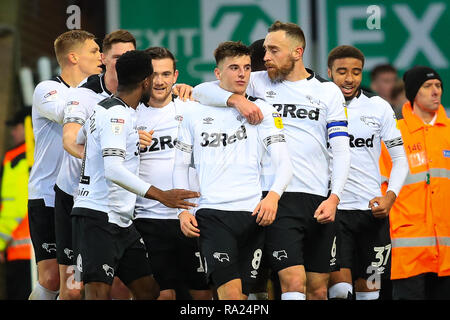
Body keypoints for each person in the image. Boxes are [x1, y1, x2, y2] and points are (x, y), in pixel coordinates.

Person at [192, 21, 351, 300]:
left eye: (273, 50)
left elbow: (340, 149)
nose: (265, 57)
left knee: (318, 288)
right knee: (292, 280)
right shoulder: (257, 80)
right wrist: (236, 100)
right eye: (265, 50)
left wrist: (334, 197)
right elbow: (202, 90)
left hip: (318, 197)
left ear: (297, 52)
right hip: (276, 196)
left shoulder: (328, 92)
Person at [71, 49, 200, 300]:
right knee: (97, 293)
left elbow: (79, 137)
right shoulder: (117, 116)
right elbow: (113, 169)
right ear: (145, 82)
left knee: (149, 290)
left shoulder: (106, 108)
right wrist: (162, 196)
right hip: (97, 216)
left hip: (121, 219)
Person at [174, 41, 293, 300]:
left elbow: (285, 163)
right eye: (234, 67)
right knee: (230, 296)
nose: (242, 74)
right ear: (218, 73)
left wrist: (273, 196)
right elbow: (180, 165)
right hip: (212, 214)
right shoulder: (193, 111)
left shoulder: (263, 111)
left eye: (247, 68)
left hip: (253, 215)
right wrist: (182, 212)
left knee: (250, 297)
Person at [55, 29, 137, 300]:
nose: (123, 62)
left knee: (129, 286)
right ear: (103, 58)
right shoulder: (84, 94)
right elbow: (70, 140)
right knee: (73, 290)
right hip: (78, 198)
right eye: (117, 57)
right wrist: (109, 159)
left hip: (124, 204)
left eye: (129, 56)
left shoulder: (141, 93)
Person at [324, 45, 408, 300]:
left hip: (371, 213)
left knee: (369, 294)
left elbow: (400, 159)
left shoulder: (378, 107)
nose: (349, 78)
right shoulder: (320, 107)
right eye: (342, 71)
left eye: (356, 72)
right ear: (329, 72)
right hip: (333, 212)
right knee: (339, 291)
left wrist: (389, 198)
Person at [27, 30, 102, 300]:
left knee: (79, 283)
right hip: (46, 195)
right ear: (73, 57)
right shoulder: (48, 89)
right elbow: (69, 114)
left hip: (80, 196)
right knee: (50, 278)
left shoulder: (98, 93)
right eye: (93, 51)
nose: (100, 57)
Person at [133, 47, 212, 300]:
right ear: (145, 77)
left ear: (176, 76)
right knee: (162, 295)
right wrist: (129, 144)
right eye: (154, 74)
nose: (159, 81)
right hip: (149, 218)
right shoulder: (130, 114)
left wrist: (195, 91)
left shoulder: (193, 108)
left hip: (191, 215)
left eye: (166, 74)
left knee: (201, 294)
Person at [380, 66, 450, 300]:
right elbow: (381, 185)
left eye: (438, 86)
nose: (435, 91)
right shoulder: (395, 133)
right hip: (409, 251)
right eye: (427, 86)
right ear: (412, 93)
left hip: (447, 252)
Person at [0, 109, 33, 300]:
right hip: (44, 250)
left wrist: (0, 242)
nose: (12, 132)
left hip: (20, 252)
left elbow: (15, 205)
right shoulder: (42, 155)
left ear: (27, 127)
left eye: (16, 127)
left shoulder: (15, 160)